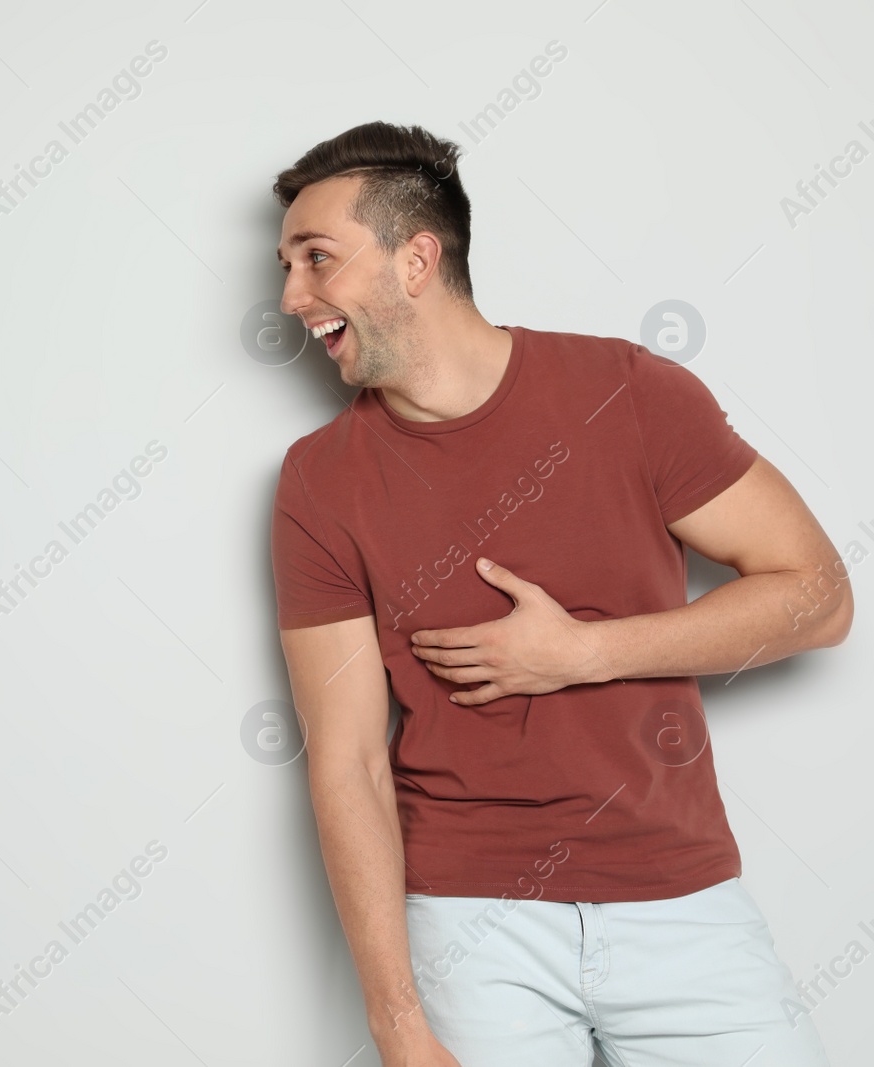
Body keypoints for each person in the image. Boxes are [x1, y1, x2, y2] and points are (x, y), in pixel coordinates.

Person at [268, 120, 851, 1067]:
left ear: (417, 258)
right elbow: (347, 765)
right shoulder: (320, 479)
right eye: (285, 265)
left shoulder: (626, 391)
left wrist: (583, 652)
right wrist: (399, 1026)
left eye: (317, 259)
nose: (291, 296)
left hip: (682, 903)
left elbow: (820, 596)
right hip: (470, 928)